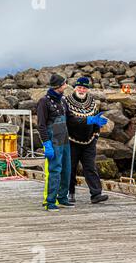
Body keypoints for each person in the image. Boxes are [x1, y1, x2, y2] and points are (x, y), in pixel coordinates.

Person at [37, 74, 107, 212]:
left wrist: (90, 121)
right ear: (58, 86)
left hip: (64, 138)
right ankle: (50, 201)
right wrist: (46, 143)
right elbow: (41, 125)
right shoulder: (44, 101)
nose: (65, 86)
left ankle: (63, 198)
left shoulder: (62, 101)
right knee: (55, 170)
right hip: (54, 138)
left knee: (67, 169)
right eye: (63, 84)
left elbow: (72, 119)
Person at [64, 77, 109, 204]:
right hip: (71, 140)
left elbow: (97, 121)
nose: (82, 90)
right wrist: (88, 120)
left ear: (87, 89)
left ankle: (96, 194)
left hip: (89, 141)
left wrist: (95, 136)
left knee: (90, 167)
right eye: (79, 87)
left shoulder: (92, 103)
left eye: (84, 88)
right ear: (75, 88)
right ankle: (70, 193)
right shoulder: (66, 101)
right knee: (70, 168)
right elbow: (71, 121)